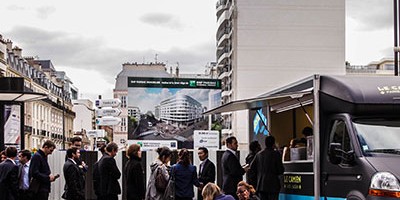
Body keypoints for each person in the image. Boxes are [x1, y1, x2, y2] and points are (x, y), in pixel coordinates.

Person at [248, 136, 284, 200]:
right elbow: (280, 170)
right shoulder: (276, 154)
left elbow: (251, 169)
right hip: (273, 186)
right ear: (273, 144)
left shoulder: (259, 154)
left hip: (261, 185)